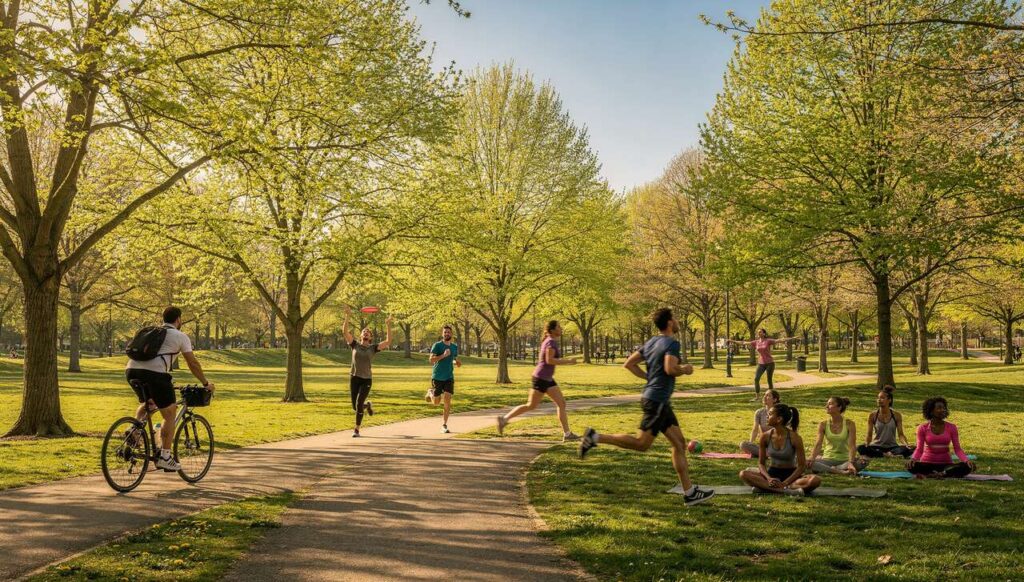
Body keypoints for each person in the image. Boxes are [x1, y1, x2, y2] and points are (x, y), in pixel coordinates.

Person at [578, 308, 714, 507]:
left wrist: (648, 377)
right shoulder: (672, 343)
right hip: (657, 400)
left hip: (658, 400)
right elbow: (670, 368)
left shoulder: (651, 342)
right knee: (641, 444)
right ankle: (594, 437)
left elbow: (629, 364)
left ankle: (690, 493)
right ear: (669, 323)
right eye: (674, 318)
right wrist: (684, 369)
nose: (677, 321)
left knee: (679, 444)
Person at [126, 306, 215, 471]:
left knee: (150, 403)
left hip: (131, 371)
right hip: (155, 375)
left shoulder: (151, 332)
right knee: (170, 412)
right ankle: (165, 457)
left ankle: (134, 430)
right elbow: (193, 363)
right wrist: (205, 383)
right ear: (178, 319)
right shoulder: (180, 336)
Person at [497, 320, 580, 441]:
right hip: (541, 378)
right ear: (552, 330)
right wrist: (568, 361)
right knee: (531, 405)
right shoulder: (550, 342)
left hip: (547, 378)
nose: (561, 329)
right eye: (558, 327)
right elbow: (549, 360)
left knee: (561, 403)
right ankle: (504, 420)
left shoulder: (550, 341)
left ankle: (567, 434)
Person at [738, 403, 821, 495]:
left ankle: (766, 488)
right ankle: (786, 491)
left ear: (779, 419)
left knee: (815, 480)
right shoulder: (765, 436)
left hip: (791, 476)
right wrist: (769, 478)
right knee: (743, 474)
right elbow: (761, 463)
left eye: (770, 414)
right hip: (772, 474)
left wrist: (785, 482)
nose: (767, 416)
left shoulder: (795, 438)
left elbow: (801, 466)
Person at [343, 306, 392, 437]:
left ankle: (357, 429)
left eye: (367, 332)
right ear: (360, 335)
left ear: (370, 337)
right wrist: (347, 316)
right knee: (355, 406)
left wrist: (388, 325)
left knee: (358, 404)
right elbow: (345, 332)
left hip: (366, 380)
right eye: (363, 331)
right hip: (354, 378)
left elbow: (388, 341)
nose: (365, 333)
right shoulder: (354, 345)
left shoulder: (373, 348)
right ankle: (367, 405)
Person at [907, 397, 975, 478]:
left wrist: (966, 460)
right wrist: (913, 459)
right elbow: (919, 449)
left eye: (944, 408)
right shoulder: (922, 428)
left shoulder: (952, 427)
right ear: (931, 411)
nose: (943, 410)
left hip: (946, 465)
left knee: (966, 467)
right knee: (911, 466)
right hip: (927, 464)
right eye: (939, 408)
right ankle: (940, 474)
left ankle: (939, 474)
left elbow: (957, 449)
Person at [728, 329, 798, 401]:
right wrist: (732, 341)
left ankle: (772, 397)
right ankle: (757, 397)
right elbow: (743, 343)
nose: (759, 333)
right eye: (758, 332)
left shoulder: (768, 341)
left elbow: (780, 340)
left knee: (769, 380)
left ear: (764, 333)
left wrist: (792, 338)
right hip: (761, 363)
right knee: (756, 379)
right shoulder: (756, 342)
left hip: (770, 363)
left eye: (760, 332)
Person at [807, 396, 868, 475]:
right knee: (805, 462)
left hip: (845, 460)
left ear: (839, 407)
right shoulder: (823, 424)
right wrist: (812, 457)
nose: (826, 406)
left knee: (863, 462)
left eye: (830, 404)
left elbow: (852, 446)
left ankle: (834, 469)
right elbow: (818, 444)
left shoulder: (850, 424)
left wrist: (850, 462)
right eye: (827, 404)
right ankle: (839, 471)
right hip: (827, 459)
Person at [856, 385, 913, 458]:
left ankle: (885, 454)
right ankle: (887, 455)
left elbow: (901, 434)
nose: (879, 400)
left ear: (889, 400)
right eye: (878, 398)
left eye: (882, 398)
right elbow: (869, 434)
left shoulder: (897, 415)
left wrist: (906, 444)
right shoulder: (873, 415)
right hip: (876, 446)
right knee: (860, 448)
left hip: (892, 447)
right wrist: (867, 443)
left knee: (907, 449)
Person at [425, 324, 461, 433]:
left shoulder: (454, 347)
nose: (446, 334)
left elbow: (453, 359)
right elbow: (431, 360)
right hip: (437, 376)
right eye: (445, 332)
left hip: (449, 377)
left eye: (448, 332)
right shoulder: (437, 345)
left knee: (447, 401)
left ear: (451, 334)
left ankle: (444, 425)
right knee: (436, 402)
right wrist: (443, 355)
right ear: (442, 334)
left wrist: (456, 362)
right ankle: (431, 392)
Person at [739, 389, 782, 456]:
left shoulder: (780, 413)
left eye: (768, 395)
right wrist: (751, 443)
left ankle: (767, 453)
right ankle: (767, 454)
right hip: (765, 445)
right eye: (765, 395)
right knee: (743, 444)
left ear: (775, 400)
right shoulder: (759, 412)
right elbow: (755, 429)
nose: (764, 397)